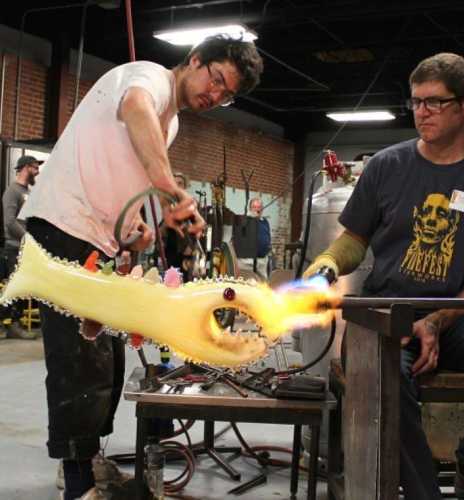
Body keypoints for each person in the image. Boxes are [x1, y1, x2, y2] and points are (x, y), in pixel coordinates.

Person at [18, 35, 263, 500]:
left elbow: (123, 184)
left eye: (227, 95)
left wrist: (134, 233)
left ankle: (88, 460)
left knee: (109, 359)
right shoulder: (147, 77)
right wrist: (170, 189)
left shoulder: (168, 128)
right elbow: (134, 109)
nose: (215, 96)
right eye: (215, 80)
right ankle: (78, 485)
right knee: (79, 360)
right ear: (194, 61)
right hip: (63, 229)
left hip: (97, 240)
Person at [304, 53, 464, 500]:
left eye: (434, 102)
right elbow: (353, 241)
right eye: (415, 102)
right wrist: (329, 264)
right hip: (387, 312)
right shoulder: (386, 167)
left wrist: (434, 321)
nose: (421, 113)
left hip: (461, 313)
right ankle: (422, 492)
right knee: (383, 370)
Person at [0, 154, 41, 340]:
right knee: (13, 285)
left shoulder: (29, 192)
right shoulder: (13, 191)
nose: (37, 171)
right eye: (34, 167)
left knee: (23, 286)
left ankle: (17, 322)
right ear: (24, 168)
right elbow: (9, 222)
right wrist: (28, 238)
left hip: (25, 248)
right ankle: (11, 326)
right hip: (15, 246)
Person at [238, 197, 271, 279]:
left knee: (262, 286)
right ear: (250, 208)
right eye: (254, 207)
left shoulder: (265, 221)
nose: (257, 209)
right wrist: (251, 217)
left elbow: (268, 236)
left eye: (259, 207)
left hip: (262, 262)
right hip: (248, 262)